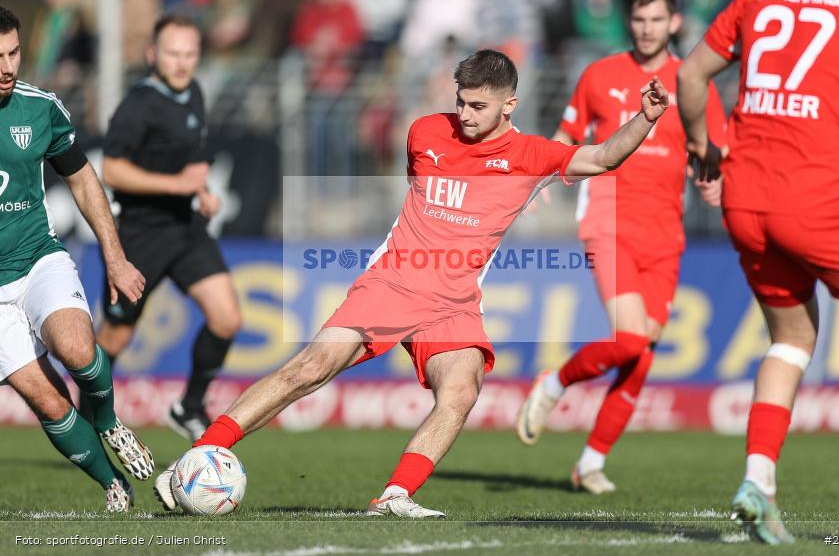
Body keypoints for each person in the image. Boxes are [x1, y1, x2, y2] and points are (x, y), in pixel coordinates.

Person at [153, 49, 669, 517]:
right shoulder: (425, 132)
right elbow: (414, 189)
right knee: (308, 369)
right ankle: (194, 461)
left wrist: (644, 118)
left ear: (509, 104)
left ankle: (394, 496)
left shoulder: (531, 155)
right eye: (461, 102)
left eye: (478, 107)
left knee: (462, 391)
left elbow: (603, 157)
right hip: (393, 284)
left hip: (453, 304)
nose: (465, 115)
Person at [677, 0, 839, 544]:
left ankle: (757, 481)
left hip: (745, 200)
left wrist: (705, 147)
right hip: (822, 201)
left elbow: (691, 75)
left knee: (792, 339)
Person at [515, 0, 726, 494]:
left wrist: (714, 177)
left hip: (665, 230)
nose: (647, 28)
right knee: (629, 338)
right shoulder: (601, 74)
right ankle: (556, 382)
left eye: (657, 19)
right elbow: (567, 137)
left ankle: (589, 462)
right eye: (639, 19)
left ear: (674, 23)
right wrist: (543, 175)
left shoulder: (693, 82)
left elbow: (711, 148)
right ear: (628, 22)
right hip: (608, 219)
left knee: (642, 352)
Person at [0, 6, 153, 511]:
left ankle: (109, 422)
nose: (7, 67)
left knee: (76, 349)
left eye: (14, 53)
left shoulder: (39, 108)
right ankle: (115, 485)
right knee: (46, 400)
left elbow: (83, 179)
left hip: (36, 256)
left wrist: (115, 258)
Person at [92, 15, 242, 441]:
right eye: (173, 53)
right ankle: (92, 420)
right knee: (115, 339)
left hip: (187, 227)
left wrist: (203, 193)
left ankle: (188, 407)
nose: (182, 62)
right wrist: (176, 185)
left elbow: (192, 163)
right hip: (141, 234)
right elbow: (113, 170)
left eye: (190, 53)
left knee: (227, 318)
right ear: (152, 54)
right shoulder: (139, 105)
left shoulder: (194, 91)